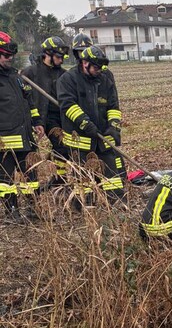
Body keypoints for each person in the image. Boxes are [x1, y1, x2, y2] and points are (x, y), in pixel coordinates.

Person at [57, 45, 125, 200]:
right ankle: (85, 208)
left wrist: (114, 126)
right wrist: (86, 124)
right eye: (96, 67)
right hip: (80, 140)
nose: (99, 70)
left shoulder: (105, 79)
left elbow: (113, 106)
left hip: (103, 137)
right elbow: (67, 105)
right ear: (84, 63)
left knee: (112, 176)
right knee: (82, 179)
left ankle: (117, 205)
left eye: (101, 67)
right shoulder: (68, 79)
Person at [0, 31, 44, 218]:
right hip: (5, 138)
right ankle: (12, 212)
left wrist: (37, 122)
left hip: (25, 135)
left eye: (12, 56)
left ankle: (33, 210)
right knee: (6, 179)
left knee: (31, 175)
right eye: (6, 56)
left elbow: (29, 102)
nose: (10, 59)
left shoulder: (16, 77)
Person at [21, 36, 70, 171]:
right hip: (38, 116)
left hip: (58, 117)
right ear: (48, 55)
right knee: (30, 150)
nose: (61, 60)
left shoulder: (64, 75)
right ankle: (30, 178)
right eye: (58, 57)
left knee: (62, 148)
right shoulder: (30, 73)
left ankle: (60, 178)